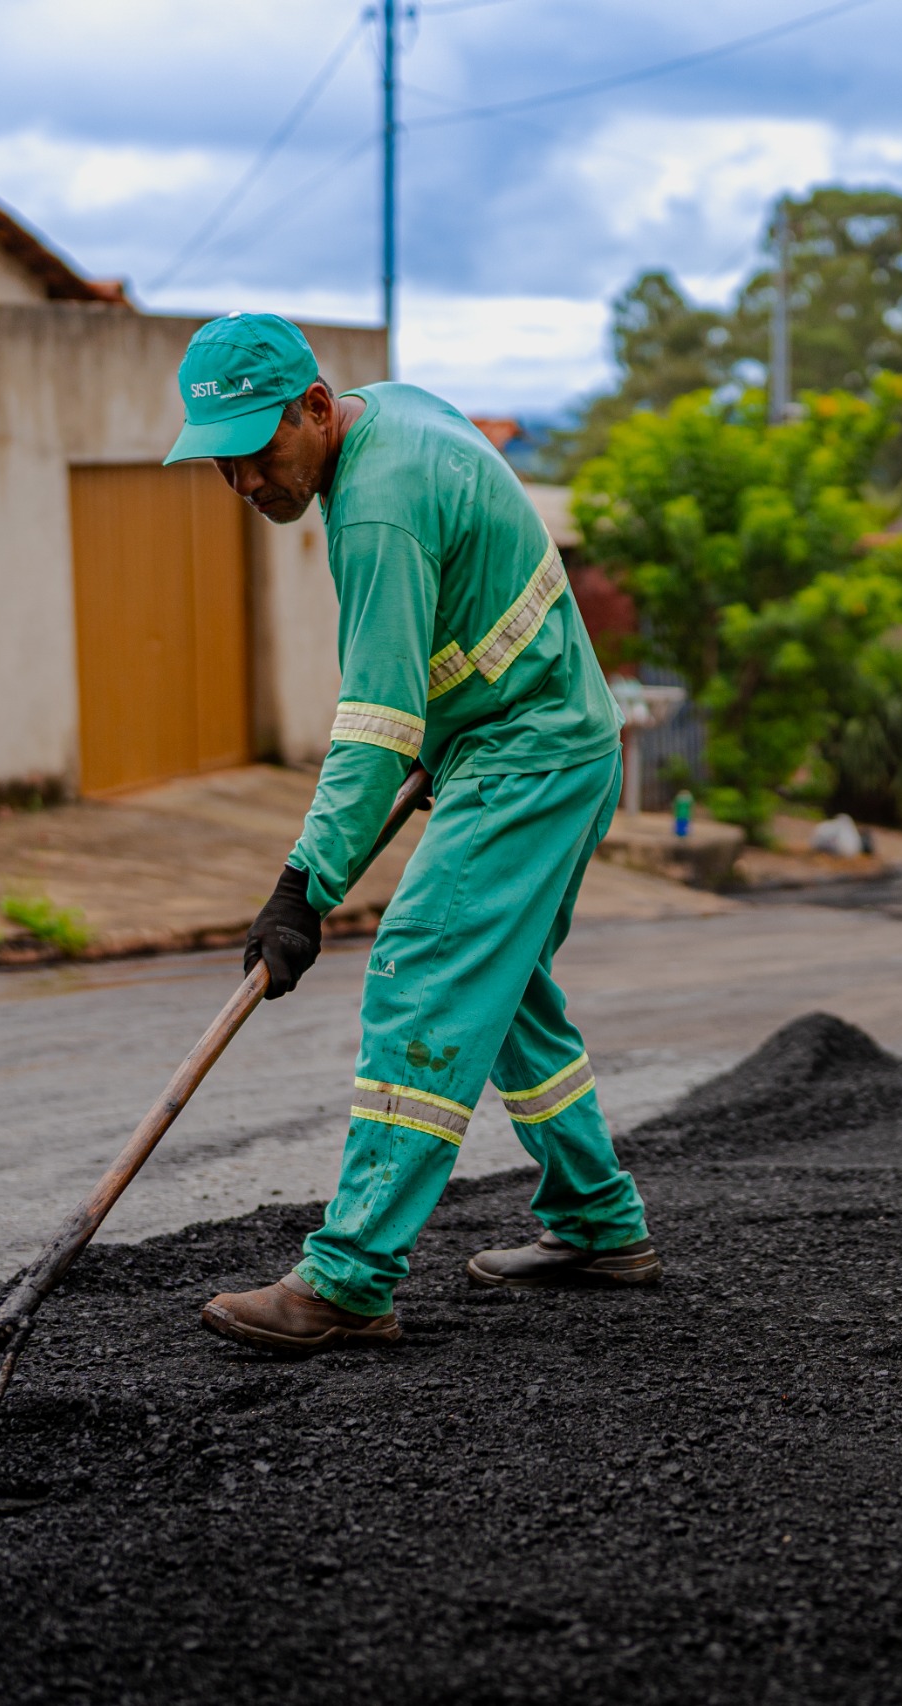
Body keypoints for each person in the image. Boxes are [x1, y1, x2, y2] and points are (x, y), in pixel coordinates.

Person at [166, 313, 659, 1355]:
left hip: (527, 756)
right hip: (538, 736)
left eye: (258, 452)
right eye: (224, 465)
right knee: (507, 986)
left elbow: (373, 724)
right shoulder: (394, 413)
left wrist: (304, 883)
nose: (246, 484)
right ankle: (599, 1221)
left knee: (425, 966)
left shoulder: (372, 511)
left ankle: (348, 1276)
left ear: (313, 407)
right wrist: (451, 728)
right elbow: (466, 618)